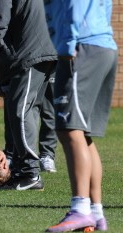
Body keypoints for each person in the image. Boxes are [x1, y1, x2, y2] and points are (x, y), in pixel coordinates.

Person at [44, 0, 117, 232]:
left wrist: (66, 44)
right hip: (102, 46)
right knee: (82, 133)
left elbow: (73, 5)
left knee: (69, 128)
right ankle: (96, 213)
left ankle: (81, 210)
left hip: (80, 48)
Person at [0, 0, 57, 190]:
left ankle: (30, 173)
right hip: (38, 47)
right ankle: (22, 170)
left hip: (31, 50)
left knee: (22, 110)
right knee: (23, 108)